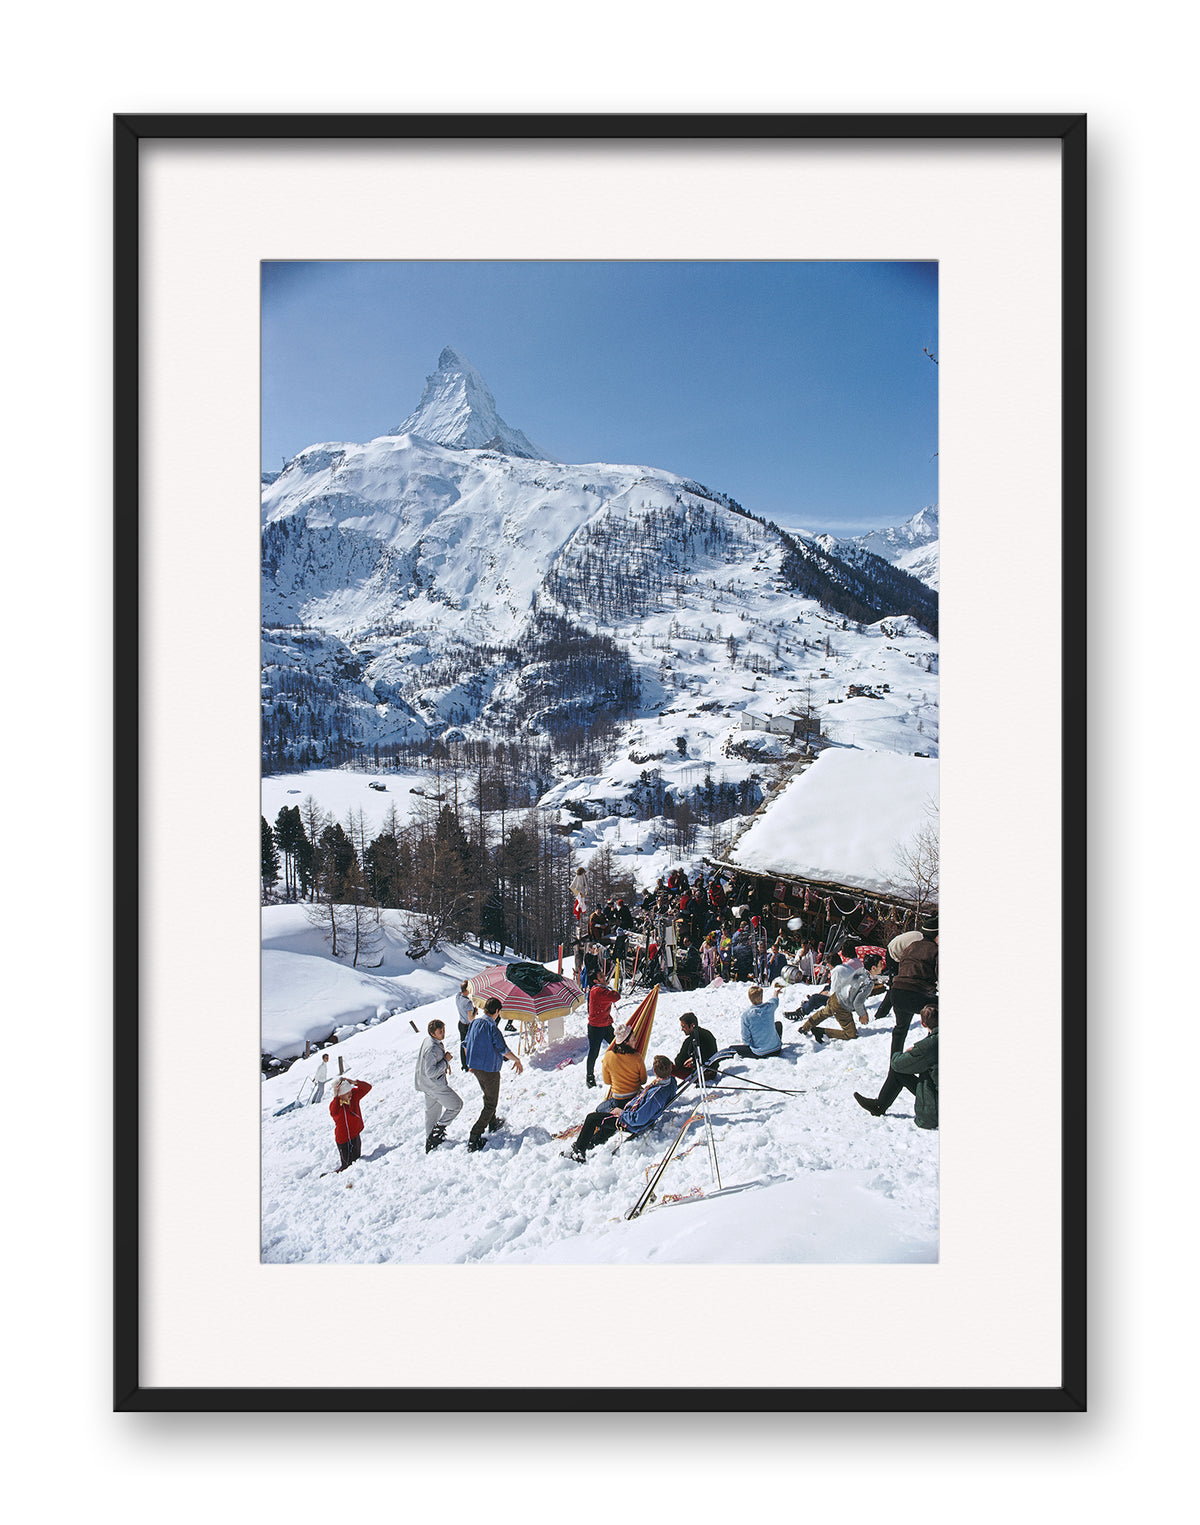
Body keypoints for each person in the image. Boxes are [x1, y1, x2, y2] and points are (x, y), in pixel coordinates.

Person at [565, 1055, 679, 1162]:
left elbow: (638, 1119)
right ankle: (592, 1142)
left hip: (631, 1123)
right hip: (633, 1114)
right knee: (608, 1117)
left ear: (654, 1072)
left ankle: (579, 1152)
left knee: (592, 1118)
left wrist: (621, 1113)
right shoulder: (670, 1083)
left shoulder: (655, 1096)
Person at [855, 1005, 938, 1128]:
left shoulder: (929, 1046)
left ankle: (879, 1106)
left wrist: (910, 1053)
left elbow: (897, 1064)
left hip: (936, 1109)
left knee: (898, 1071)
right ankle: (878, 1105)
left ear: (923, 1023)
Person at [463, 996, 524, 1153]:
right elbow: (503, 1049)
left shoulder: (475, 1022)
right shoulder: (492, 1028)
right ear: (497, 1011)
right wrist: (517, 1060)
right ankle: (475, 1135)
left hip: (475, 1067)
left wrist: (470, 1062)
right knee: (491, 1103)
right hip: (489, 1070)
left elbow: (465, 1043)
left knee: (487, 1095)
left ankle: (493, 1122)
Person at [799, 943, 885, 1042]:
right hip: (842, 1005)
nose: (882, 966)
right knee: (851, 1034)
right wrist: (862, 1014)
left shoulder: (860, 971)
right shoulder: (868, 983)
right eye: (880, 964)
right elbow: (858, 1001)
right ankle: (820, 1031)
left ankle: (805, 1027)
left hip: (836, 997)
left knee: (823, 1013)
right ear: (873, 968)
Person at [414, 1017, 463, 1152]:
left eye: (443, 1030)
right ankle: (439, 1130)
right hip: (435, 1085)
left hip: (425, 1084)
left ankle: (430, 1140)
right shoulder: (432, 1048)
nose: (443, 1033)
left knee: (432, 1112)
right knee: (456, 1105)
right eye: (440, 1031)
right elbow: (431, 1071)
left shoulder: (429, 1042)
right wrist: (446, 1062)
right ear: (432, 1033)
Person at [584, 970, 621, 1087]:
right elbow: (616, 996)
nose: (604, 977)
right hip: (596, 1028)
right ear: (596, 981)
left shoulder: (598, 989)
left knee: (617, 1047)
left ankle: (618, 1069)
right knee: (594, 1053)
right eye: (601, 976)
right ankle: (590, 1077)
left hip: (605, 1024)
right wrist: (611, 988)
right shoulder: (598, 991)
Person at [329, 1075, 372, 1172]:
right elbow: (334, 1113)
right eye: (347, 1092)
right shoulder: (336, 1104)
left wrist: (354, 1082)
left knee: (356, 1161)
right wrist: (336, 1096)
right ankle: (335, 1175)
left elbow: (368, 1087)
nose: (350, 1094)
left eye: (350, 1091)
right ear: (340, 1095)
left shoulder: (354, 1096)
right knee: (347, 1166)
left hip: (355, 1135)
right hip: (343, 1140)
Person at [599, 1022, 646, 1108]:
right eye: (633, 1039)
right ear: (625, 1042)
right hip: (634, 1099)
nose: (636, 1040)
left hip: (618, 1100)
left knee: (600, 1109)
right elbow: (643, 1080)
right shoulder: (637, 1057)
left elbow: (607, 1081)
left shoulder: (608, 1056)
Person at [729, 985, 783, 1058]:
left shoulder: (746, 1015)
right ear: (762, 996)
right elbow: (774, 1000)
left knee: (731, 1048)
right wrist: (776, 992)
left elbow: (745, 1038)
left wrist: (749, 1044)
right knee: (778, 1024)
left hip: (760, 1052)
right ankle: (773, 1043)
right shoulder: (770, 1007)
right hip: (776, 1050)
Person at [671, 1011, 718, 1083]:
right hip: (713, 1071)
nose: (682, 1029)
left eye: (684, 1026)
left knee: (665, 1066)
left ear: (692, 1025)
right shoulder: (707, 1033)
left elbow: (678, 1062)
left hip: (702, 1075)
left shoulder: (691, 1040)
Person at [455, 980, 475, 1072]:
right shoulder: (468, 1003)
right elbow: (471, 1018)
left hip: (460, 1023)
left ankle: (464, 1064)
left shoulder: (458, 996)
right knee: (470, 1044)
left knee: (462, 1044)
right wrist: (475, 1011)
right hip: (467, 1025)